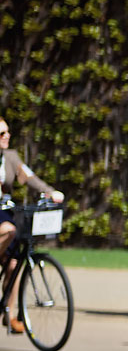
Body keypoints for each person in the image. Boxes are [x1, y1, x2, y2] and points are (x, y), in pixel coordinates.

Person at [0, 117, 66, 333]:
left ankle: (9, 315)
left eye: (7, 132)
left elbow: (29, 177)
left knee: (13, 265)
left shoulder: (10, 157)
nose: (7, 136)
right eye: (2, 133)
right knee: (8, 230)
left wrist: (50, 191)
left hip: (5, 212)